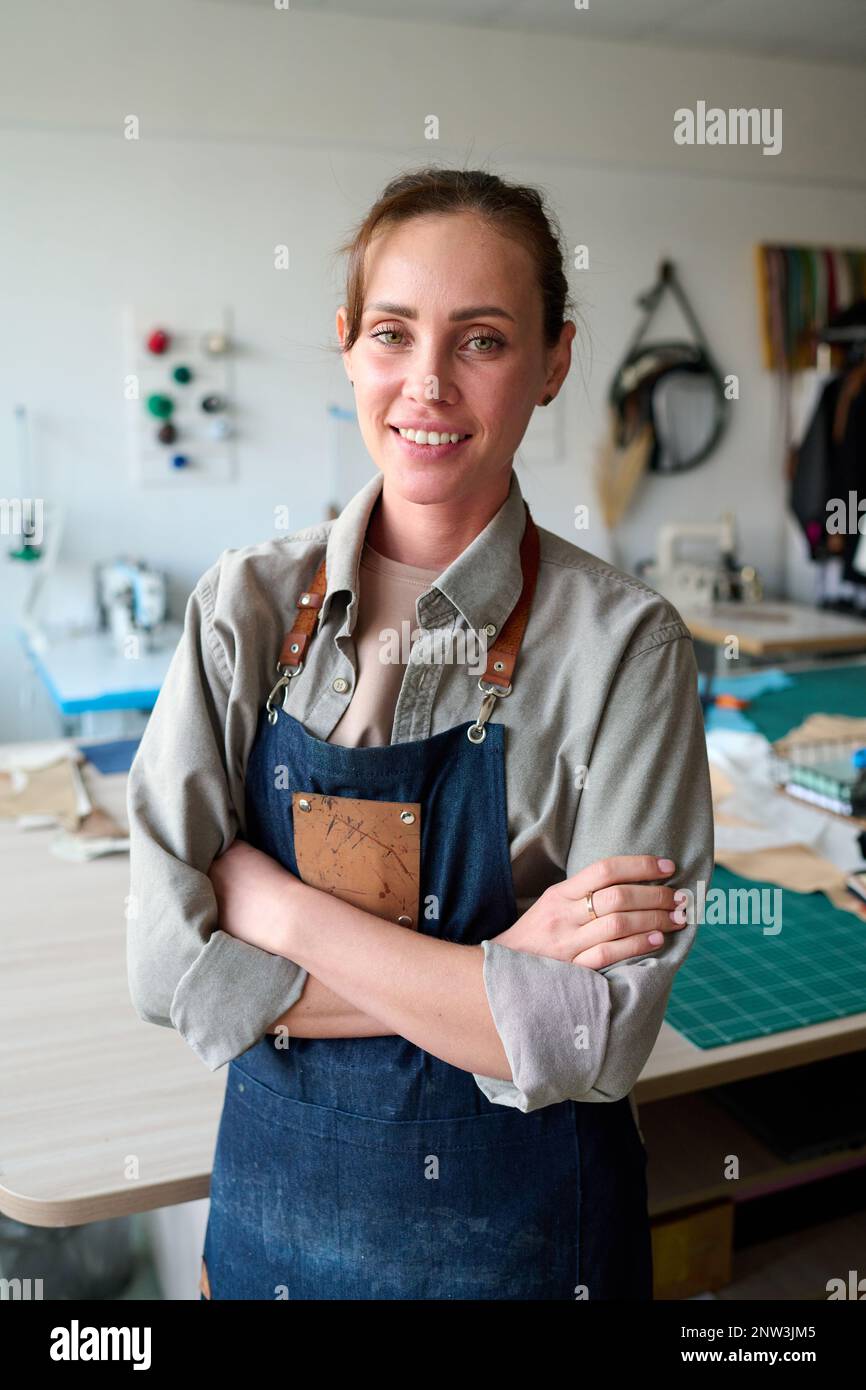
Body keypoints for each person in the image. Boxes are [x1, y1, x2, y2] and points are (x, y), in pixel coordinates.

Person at [126, 166, 714, 1301]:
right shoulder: (240, 609)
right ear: (348, 343)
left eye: (482, 340)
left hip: (531, 1257)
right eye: (392, 332)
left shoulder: (625, 648)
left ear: (552, 362)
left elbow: (592, 1042)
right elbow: (163, 963)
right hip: (268, 1245)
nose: (427, 383)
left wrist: (272, 905)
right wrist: (500, 980)